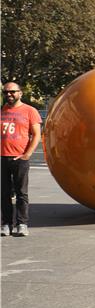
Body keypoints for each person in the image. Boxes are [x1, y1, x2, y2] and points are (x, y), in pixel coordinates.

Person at [1, 82, 42, 237]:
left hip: (20, 157)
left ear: (20, 93)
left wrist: (27, 154)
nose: (9, 95)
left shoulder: (30, 111)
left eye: (12, 92)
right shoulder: (2, 110)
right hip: (2, 157)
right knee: (3, 193)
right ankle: (6, 223)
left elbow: (37, 134)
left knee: (21, 192)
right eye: (6, 92)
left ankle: (22, 223)